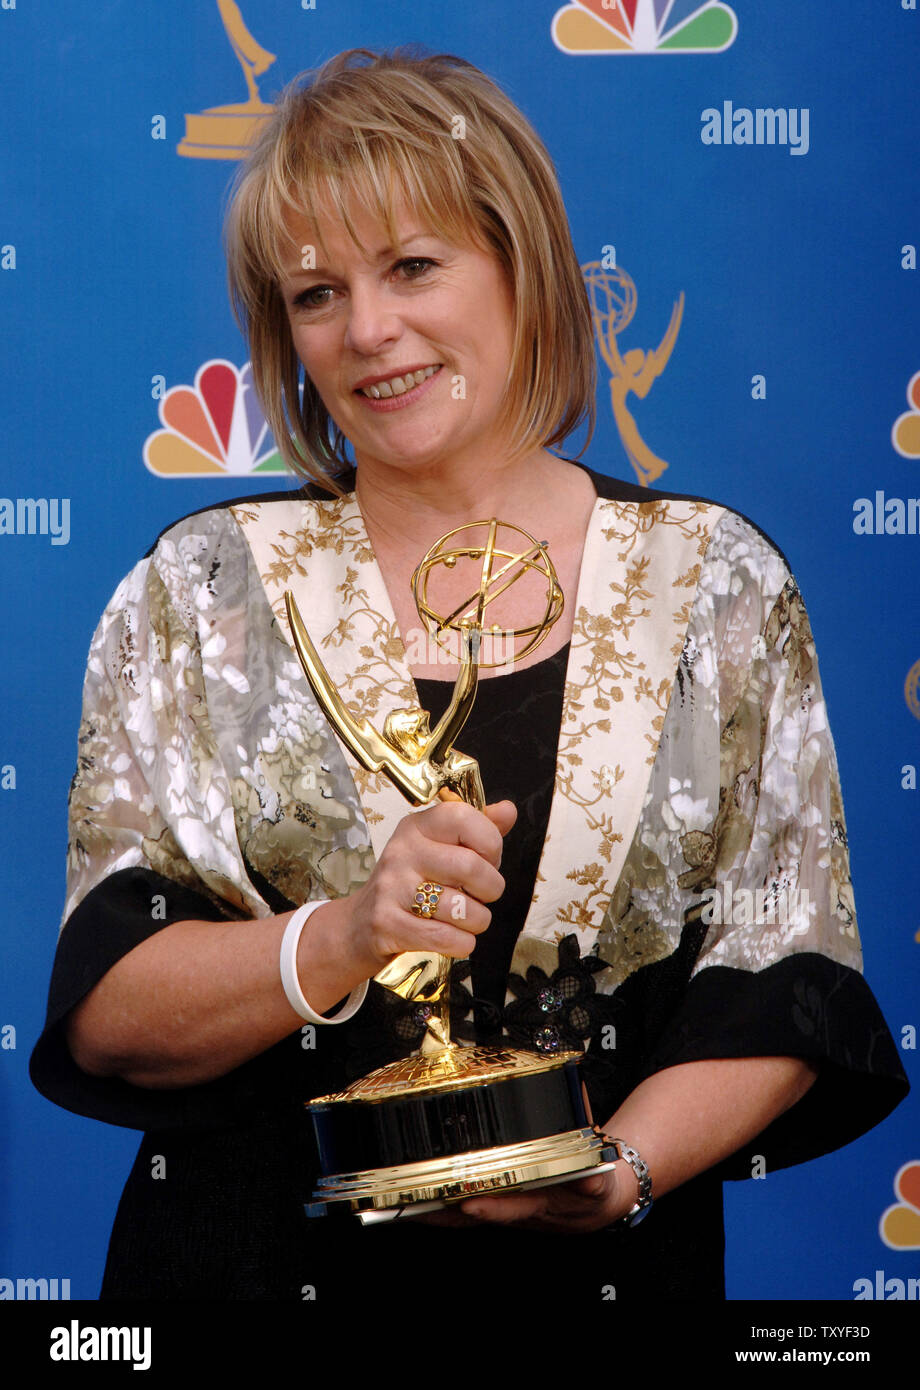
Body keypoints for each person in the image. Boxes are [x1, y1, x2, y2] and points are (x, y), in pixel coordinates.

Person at [31, 47, 907, 1302]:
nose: (368, 331)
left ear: (522, 266)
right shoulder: (199, 591)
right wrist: (338, 936)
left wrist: (622, 1167)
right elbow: (110, 1009)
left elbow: (788, 979)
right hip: (245, 1288)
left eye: (412, 267)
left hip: (604, 1300)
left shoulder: (713, 583)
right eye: (316, 292)